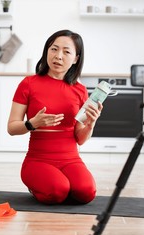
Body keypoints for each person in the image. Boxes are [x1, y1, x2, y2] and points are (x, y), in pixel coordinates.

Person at [7, 29, 103, 205]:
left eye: (66, 52)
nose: (58, 56)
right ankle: (38, 184)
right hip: (38, 159)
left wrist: (90, 124)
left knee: (86, 193)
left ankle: (60, 184)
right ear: (47, 52)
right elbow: (12, 128)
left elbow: (80, 139)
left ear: (75, 59)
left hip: (70, 159)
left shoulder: (80, 90)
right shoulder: (28, 84)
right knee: (58, 191)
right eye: (54, 49)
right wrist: (32, 124)